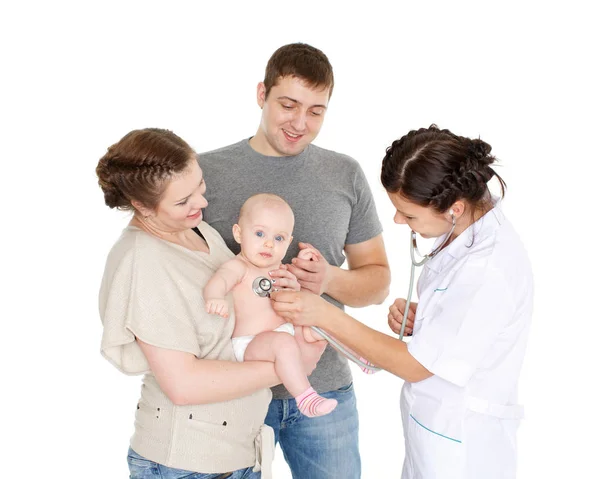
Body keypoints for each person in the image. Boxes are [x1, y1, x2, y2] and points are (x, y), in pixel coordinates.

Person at [271, 125, 534, 479]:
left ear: (454, 208)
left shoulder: (487, 267)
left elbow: (416, 365)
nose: (397, 220)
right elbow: (462, 324)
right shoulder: (465, 233)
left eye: (408, 215)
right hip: (436, 436)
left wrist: (324, 315)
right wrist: (426, 321)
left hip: (465, 448)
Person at [199, 42, 391, 478]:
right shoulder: (204, 173)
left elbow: (378, 282)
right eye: (288, 105)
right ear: (261, 94)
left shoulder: (344, 173)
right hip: (233, 391)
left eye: (316, 111)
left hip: (325, 389)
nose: (300, 123)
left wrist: (327, 279)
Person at [96, 128, 322, 479]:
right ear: (142, 205)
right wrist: (293, 367)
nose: (201, 203)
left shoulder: (201, 232)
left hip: (238, 453)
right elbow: (183, 385)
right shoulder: (143, 261)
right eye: (183, 200)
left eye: (199, 186)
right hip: (186, 464)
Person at [204, 193, 338, 417]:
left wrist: (304, 263)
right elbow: (217, 283)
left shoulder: (279, 268)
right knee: (284, 343)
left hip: (281, 335)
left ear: (288, 242)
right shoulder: (239, 267)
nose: (268, 243)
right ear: (238, 233)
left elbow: (298, 299)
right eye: (259, 233)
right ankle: (306, 398)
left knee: (319, 324)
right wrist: (215, 298)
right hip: (250, 344)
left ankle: (358, 354)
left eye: (279, 238)